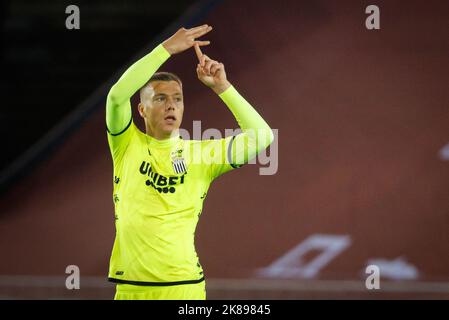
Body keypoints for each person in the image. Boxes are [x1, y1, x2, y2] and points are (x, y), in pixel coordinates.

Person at [105, 24, 274, 300]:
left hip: (184, 288)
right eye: (160, 98)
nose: (171, 105)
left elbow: (262, 137)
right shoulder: (125, 144)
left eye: (177, 99)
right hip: (131, 289)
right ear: (142, 109)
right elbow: (116, 96)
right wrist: (166, 49)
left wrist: (223, 87)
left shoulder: (201, 155)